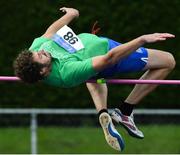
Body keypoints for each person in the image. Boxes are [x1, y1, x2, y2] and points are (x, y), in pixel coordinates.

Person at [13, 7, 176, 151]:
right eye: (40, 57)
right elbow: (109, 59)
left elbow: (51, 32)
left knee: (91, 75)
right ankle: (125, 111)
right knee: (168, 61)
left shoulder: (34, 51)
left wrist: (71, 14)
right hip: (110, 53)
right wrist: (142, 39)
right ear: (42, 72)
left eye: (37, 52)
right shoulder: (66, 73)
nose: (41, 52)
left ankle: (103, 112)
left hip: (90, 59)